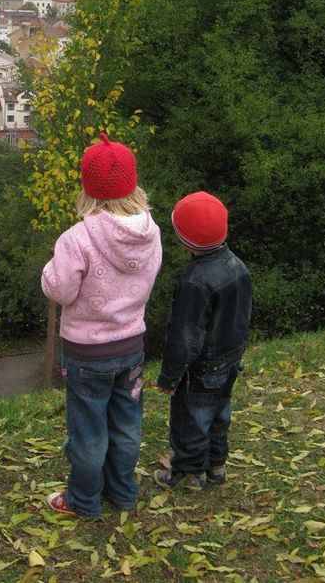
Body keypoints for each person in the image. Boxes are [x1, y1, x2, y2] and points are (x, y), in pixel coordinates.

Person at [41, 133, 162, 518]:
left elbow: (58, 289)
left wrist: (48, 269)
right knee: (127, 424)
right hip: (131, 347)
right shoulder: (151, 232)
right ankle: (123, 492)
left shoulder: (77, 238)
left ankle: (84, 500)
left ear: (87, 187)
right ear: (133, 183)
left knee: (88, 430)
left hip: (87, 353)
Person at [154, 191, 252, 490]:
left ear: (185, 239)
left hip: (202, 367)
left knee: (190, 420)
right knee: (219, 413)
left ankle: (190, 472)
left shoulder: (194, 281)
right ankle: (217, 466)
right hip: (230, 358)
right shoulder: (237, 266)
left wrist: (170, 376)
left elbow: (185, 336)